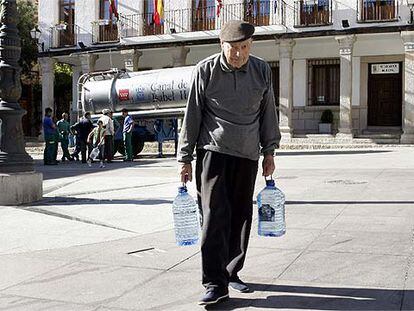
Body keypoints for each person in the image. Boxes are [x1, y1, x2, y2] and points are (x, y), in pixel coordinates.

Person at [177, 20, 281, 306]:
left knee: (240, 216)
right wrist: (185, 158)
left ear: (251, 45)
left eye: (244, 47)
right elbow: (193, 115)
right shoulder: (206, 70)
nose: (238, 54)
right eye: (232, 48)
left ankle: (231, 271)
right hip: (213, 153)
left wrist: (269, 152)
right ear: (221, 46)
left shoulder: (261, 70)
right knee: (213, 217)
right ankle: (214, 282)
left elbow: (267, 112)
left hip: (247, 155)